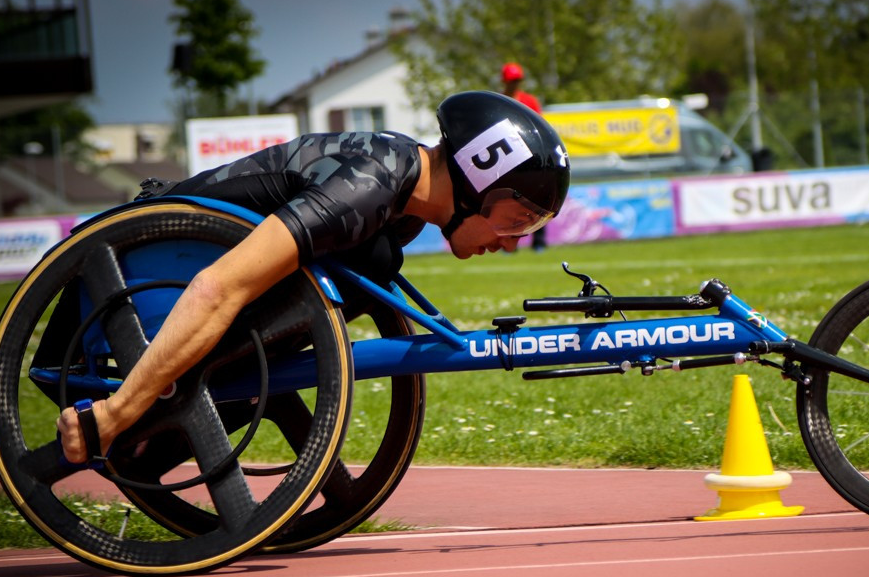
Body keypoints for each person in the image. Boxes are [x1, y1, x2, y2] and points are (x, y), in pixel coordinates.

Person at [56, 90, 569, 464]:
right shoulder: (367, 188)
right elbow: (219, 286)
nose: (511, 241)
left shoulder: (403, 209)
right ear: (474, 181)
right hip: (128, 275)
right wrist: (117, 412)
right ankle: (156, 413)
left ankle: (224, 389)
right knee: (375, 260)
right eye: (515, 219)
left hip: (166, 279)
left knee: (378, 261)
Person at [500, 62, 548, 251]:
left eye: (517, 80)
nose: (515, 84)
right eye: (512, 80)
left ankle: (539, 242)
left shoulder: (529, 101)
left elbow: (539, 127)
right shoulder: (499, 101)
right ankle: (508, 242)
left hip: (530, 157)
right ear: (504, 81)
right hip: (509, 158)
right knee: (508, 201)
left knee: (537, 198)